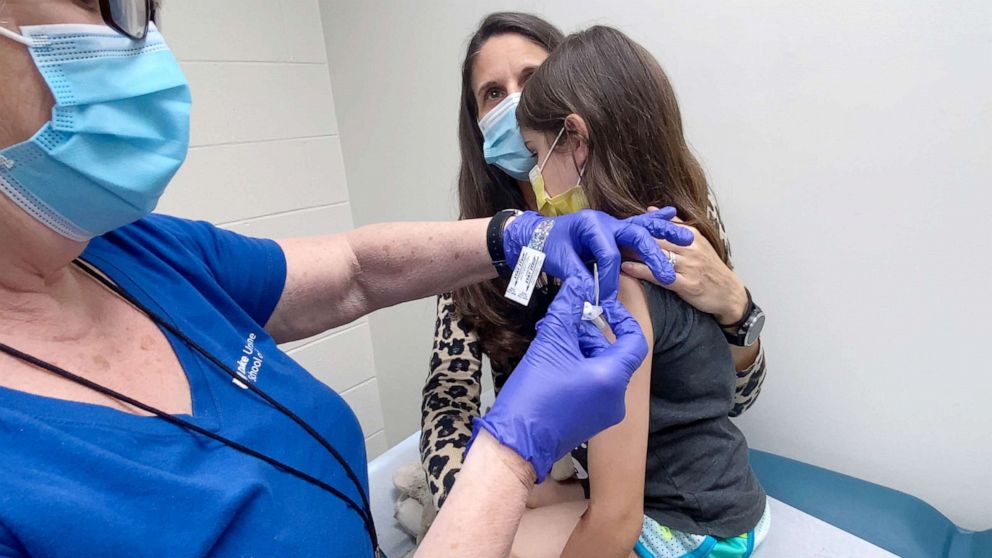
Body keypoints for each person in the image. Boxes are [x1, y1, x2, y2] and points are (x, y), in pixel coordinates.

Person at [0, 2, 689, 557]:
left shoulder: (136, 254)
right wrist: (509, 465)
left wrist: (519, 235)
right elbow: (447, 405)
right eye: (97, 2)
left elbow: (356, 270)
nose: (138, 39)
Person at [421, 11, 769, 514]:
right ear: (475, 124)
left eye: (532, 79)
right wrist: (481, 510)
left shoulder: (660, 218)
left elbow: (731, 397)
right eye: (492, 93)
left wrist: (738, 309)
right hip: (538, 476)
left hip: (654, 495)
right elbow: (447, 401)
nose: (515, 103)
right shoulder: (478, 246)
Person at [508, 25, 770, 558]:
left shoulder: (620, 282)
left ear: (575, 141)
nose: (535, 176)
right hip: (727, 498)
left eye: (537, 153)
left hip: (695, 531)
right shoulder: (672, 236)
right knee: (529, 499)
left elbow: (615, 521)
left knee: (502, 541)